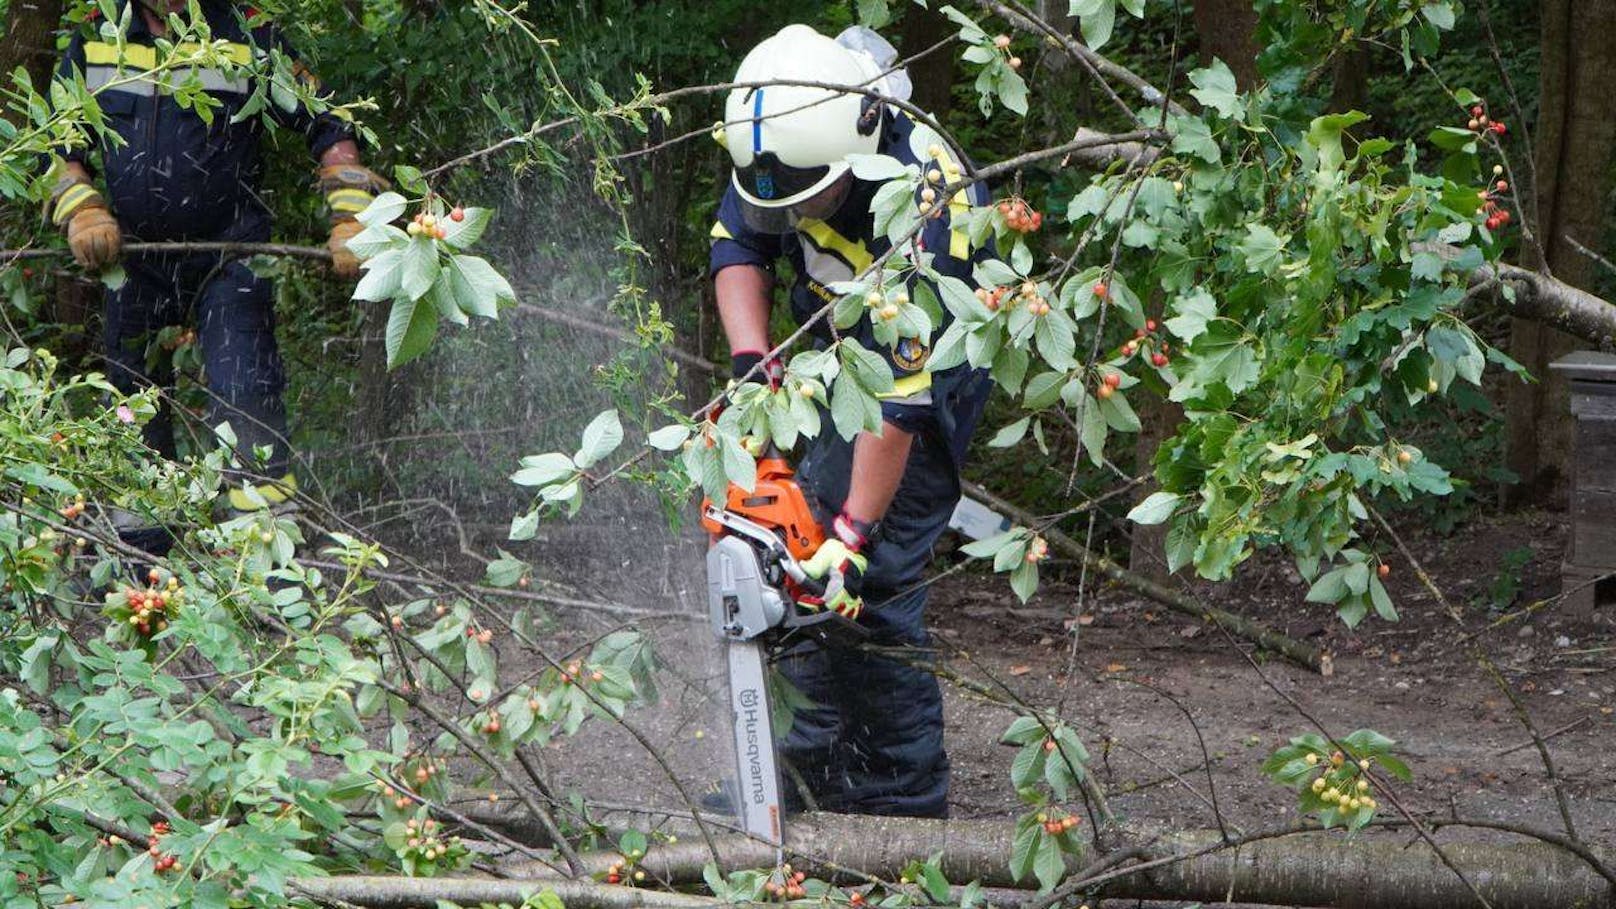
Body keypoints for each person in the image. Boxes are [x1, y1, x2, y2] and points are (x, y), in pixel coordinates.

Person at [709, 23, 996, 818]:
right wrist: (752, 369)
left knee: (864, 574)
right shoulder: (784, 136)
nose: (798, 210)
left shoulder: (919, 208)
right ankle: (808, 768)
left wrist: (853, 532)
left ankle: (902, 795)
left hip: (931, 367)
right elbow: (738, 245)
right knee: (791, 553)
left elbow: (899, 402)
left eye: (816, 197)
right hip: (827, 338)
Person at [46, 0, 387, 513]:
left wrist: (353, 219)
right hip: (133, 263)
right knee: (134, 421)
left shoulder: (248, 34)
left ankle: (266, 560)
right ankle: (148, 573)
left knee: (247, 398)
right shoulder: (98, 37)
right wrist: (83, 210)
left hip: (231, 257)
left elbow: (328, 123)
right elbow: (56, 140)